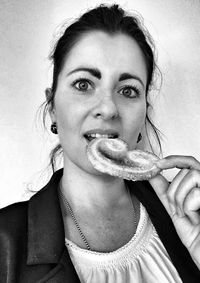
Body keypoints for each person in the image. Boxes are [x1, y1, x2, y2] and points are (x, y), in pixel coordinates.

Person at [0, 3, 200, 283]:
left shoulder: (188, 217)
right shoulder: (5, 243)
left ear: (144, 112)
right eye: (83, 84)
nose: (107, 108)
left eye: (128, 90)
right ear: (52, 107)